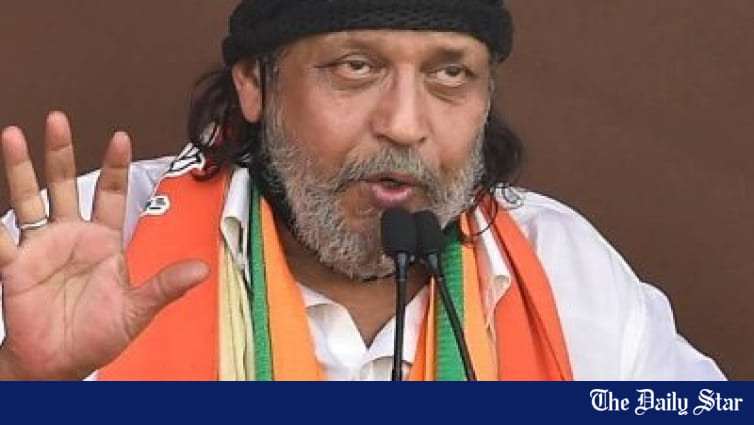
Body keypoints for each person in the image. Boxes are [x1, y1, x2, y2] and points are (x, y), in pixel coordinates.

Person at [0, 0, 725, 381]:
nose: (405, 124)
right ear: (255, 83)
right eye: (355, 66)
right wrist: (25, 389)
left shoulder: (564, 272)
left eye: (449, 73)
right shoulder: (84, 249)